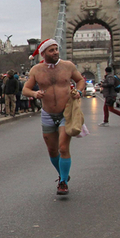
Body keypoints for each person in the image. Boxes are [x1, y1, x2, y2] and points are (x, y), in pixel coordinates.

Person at [22, 39, 85, 195]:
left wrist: (79, 91)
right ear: (43, 53)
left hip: (66, 112)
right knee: (52, 151)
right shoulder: (36, 70)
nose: (56, 52)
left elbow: (80, 80)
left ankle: (63, 182)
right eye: (51, 50)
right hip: (48, 114)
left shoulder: (68, 66)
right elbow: (25, 89)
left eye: (56, 49)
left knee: (63, 147)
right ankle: (63, 173)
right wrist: (35, 93)